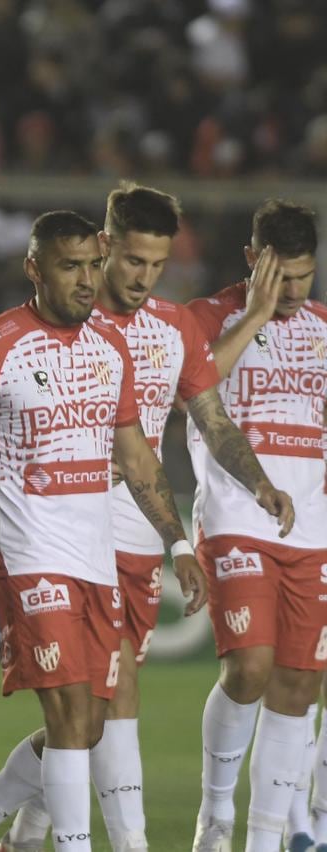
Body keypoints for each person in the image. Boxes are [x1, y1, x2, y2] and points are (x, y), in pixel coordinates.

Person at [0, 211, 208, 852]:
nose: (88, 280)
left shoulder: (108, 348)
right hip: (29, 554)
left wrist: (177, 542)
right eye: (71, 266)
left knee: (88, 724)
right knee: (67, 716)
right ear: (34, 268)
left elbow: (137, 455)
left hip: (95, 558)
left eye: (94, 264)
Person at [0, 187, 295, 851]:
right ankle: (126, 844)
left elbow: (210, 416)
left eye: (156, 265)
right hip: (64, 532)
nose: (142, 277)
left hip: (137, 537)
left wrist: (258, 484)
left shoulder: (172, 327)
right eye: (132, 260)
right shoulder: (66, 321)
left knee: (92, 714)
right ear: (105, 248)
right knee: (102, 701)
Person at [185, 200, 327, 852]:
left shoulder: (324, 328)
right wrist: (260, 315)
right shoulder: (208, 318)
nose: (295, 290)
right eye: (283, 276)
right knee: (250, 666)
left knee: (298, 683)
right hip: (237, 514)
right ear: (253, 260)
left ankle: (265, 840)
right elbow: (194, 384)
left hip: (313, 527)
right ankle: (215, 815)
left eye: (305, 276)